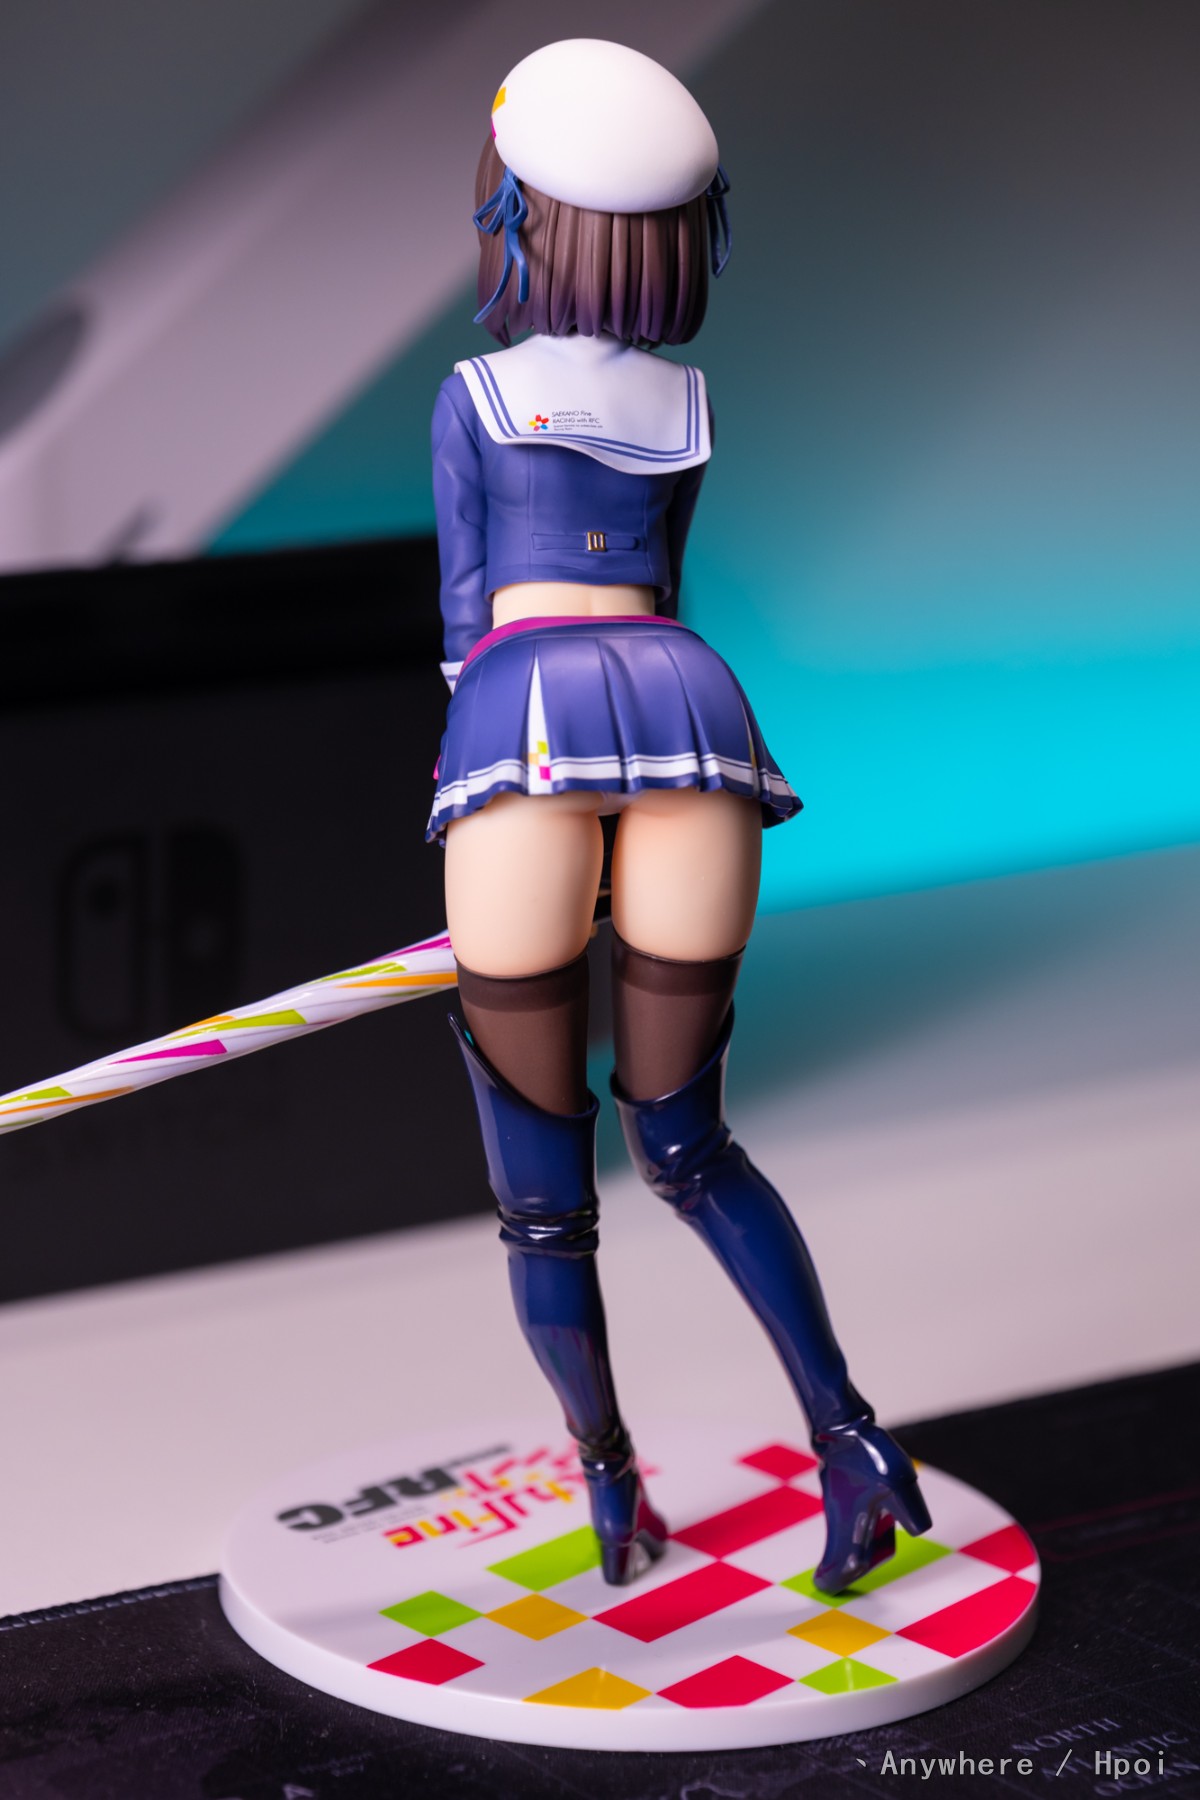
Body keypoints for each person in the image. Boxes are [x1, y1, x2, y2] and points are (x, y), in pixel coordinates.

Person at [429, 39, 930, 1587]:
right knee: (691, 1146)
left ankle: (609, 1481)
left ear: (518, 213)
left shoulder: (475, 396)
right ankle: (852, 1439)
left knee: (544, 1206)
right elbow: (664, 589)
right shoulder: (686, 400)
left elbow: (467, 622)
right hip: (691, 719)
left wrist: (501, 813)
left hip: (521, 726)